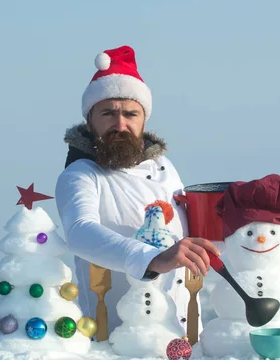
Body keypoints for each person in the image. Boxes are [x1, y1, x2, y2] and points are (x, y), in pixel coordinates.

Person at [54, 45, 220, 336]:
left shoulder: (164, 167)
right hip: (117, 338)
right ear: (90, 120)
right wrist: (151, 259)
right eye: (108, 113)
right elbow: (80, 231)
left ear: (144, 121)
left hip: (183, 332)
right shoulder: (80, 174)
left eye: (131, 114)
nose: (121, 124)